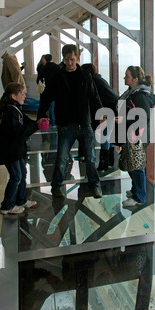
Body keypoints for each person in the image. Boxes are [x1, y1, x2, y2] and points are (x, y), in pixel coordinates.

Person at [37, 44, 103, 199]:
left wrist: (101, 112)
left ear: (77, 58)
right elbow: (46, 97)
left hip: (84, 124)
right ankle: (57, 187)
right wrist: (41, 114)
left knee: (91, 159)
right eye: (66, 60)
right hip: (66, 125)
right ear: (63, 58)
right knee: (61, 158)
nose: (69, 63)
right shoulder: (57, 77)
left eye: (72, 59)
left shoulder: (86, 76)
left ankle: (95, 186)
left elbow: (94, 97)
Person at [0, 83, 48, 215]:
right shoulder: (9, 111)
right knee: (16, 176)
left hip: (17, 150)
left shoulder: (16, 109)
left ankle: (21, 200)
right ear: (13, 96)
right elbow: (17, 131)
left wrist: (37, 122)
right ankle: (7, 205)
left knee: (22, 174)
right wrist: (36, 127)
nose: (25, 96)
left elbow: (26, 122)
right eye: (22, 93)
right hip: (11, 151)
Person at [116, 66, 155, 207]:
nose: (124, 78)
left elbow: (142, 116)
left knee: (136, 167)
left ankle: (139, 197)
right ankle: (136, 190)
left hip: (136, 136)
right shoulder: (132, 92)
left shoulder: (140, 95)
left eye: (127, 76)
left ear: (135, 79)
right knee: (132, 164)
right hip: (132, 134)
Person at [79, 63, 119, 170]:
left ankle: (103, 163)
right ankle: (110, 161)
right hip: (115, 107)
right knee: (108, 135)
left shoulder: (93, 81)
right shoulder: (99, 79)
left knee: (104, 136)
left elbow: (97, 99)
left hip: (108, 109)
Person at [38, 54, 59, 127]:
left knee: (46, 107)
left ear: (45, 59)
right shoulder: (57, 67)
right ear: (51, 58)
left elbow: (39, 78)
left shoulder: (44, 67)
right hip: (56, 90)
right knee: (53, 107)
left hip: (47, 90)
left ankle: (46, 123)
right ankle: (54, 122)